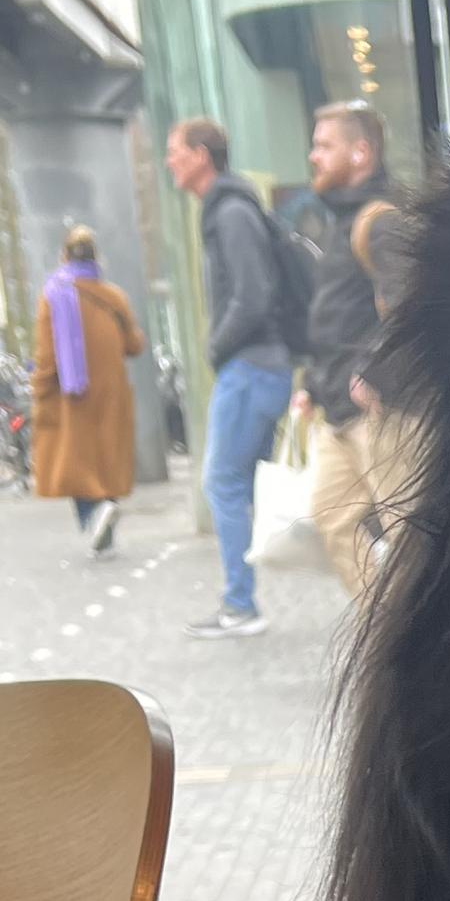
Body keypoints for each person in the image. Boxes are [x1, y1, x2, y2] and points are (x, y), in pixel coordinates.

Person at [164, 113, 294, 635]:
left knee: (223, 480)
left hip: (251, 367)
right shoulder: (229, 209)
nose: (169, 160)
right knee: (243, 484)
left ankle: (240, 606)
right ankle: (243, 598)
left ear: (200, 155)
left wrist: (217, 347)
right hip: (261, 366)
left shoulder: (232, 213)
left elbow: (254, 294)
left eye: (175, 150)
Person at [296, 101, 400, 594]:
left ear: (361, 153)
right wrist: (309, 385)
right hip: (339, 408)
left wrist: (375, 372)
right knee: (333, 516)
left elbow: (416, 306)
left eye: (324, 145)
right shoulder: (341, 222)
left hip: (380, 410)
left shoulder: (381, 221)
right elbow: (336, 317)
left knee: (410, 536)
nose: (313, 156)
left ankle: (432, 652)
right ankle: (387, 633)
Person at [29, 223, 145, 556]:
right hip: (111, 390)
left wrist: (39, 388)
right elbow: (134, 345)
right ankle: (106, 509)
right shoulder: (114, 296)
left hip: (71, 393)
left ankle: (95, 513)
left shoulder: (53, 296)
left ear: (63, 256)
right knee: (107, 456)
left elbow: (47, 355)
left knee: (75, 463)